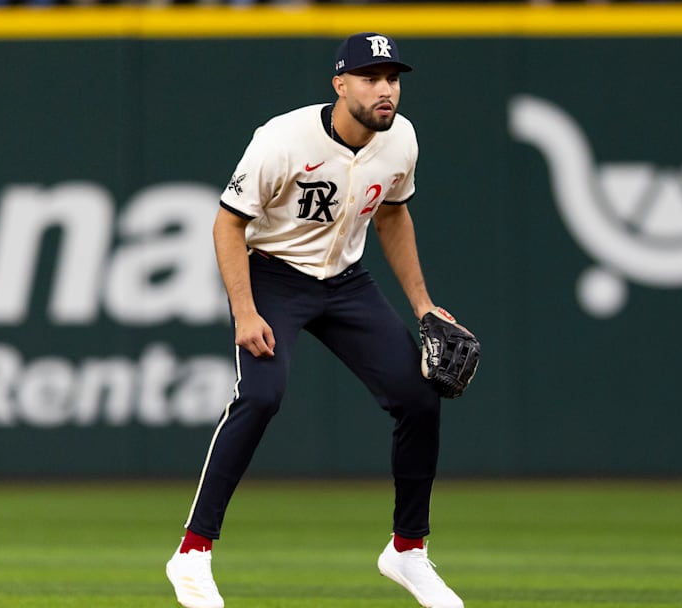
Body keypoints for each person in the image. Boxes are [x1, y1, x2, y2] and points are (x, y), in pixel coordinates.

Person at [166, 31, 464, 608]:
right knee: (260, 397)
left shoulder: (400, 139)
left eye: (393, 79)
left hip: (347, 283)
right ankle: (193, 552)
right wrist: (245, 311)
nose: (386, 90)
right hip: (275, 278)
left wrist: (423, 304)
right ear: (340, 84)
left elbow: (393, 217)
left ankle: (407, 551)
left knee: (420, 399)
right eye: (371, 78)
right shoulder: (282, 139)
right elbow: (227, 225)